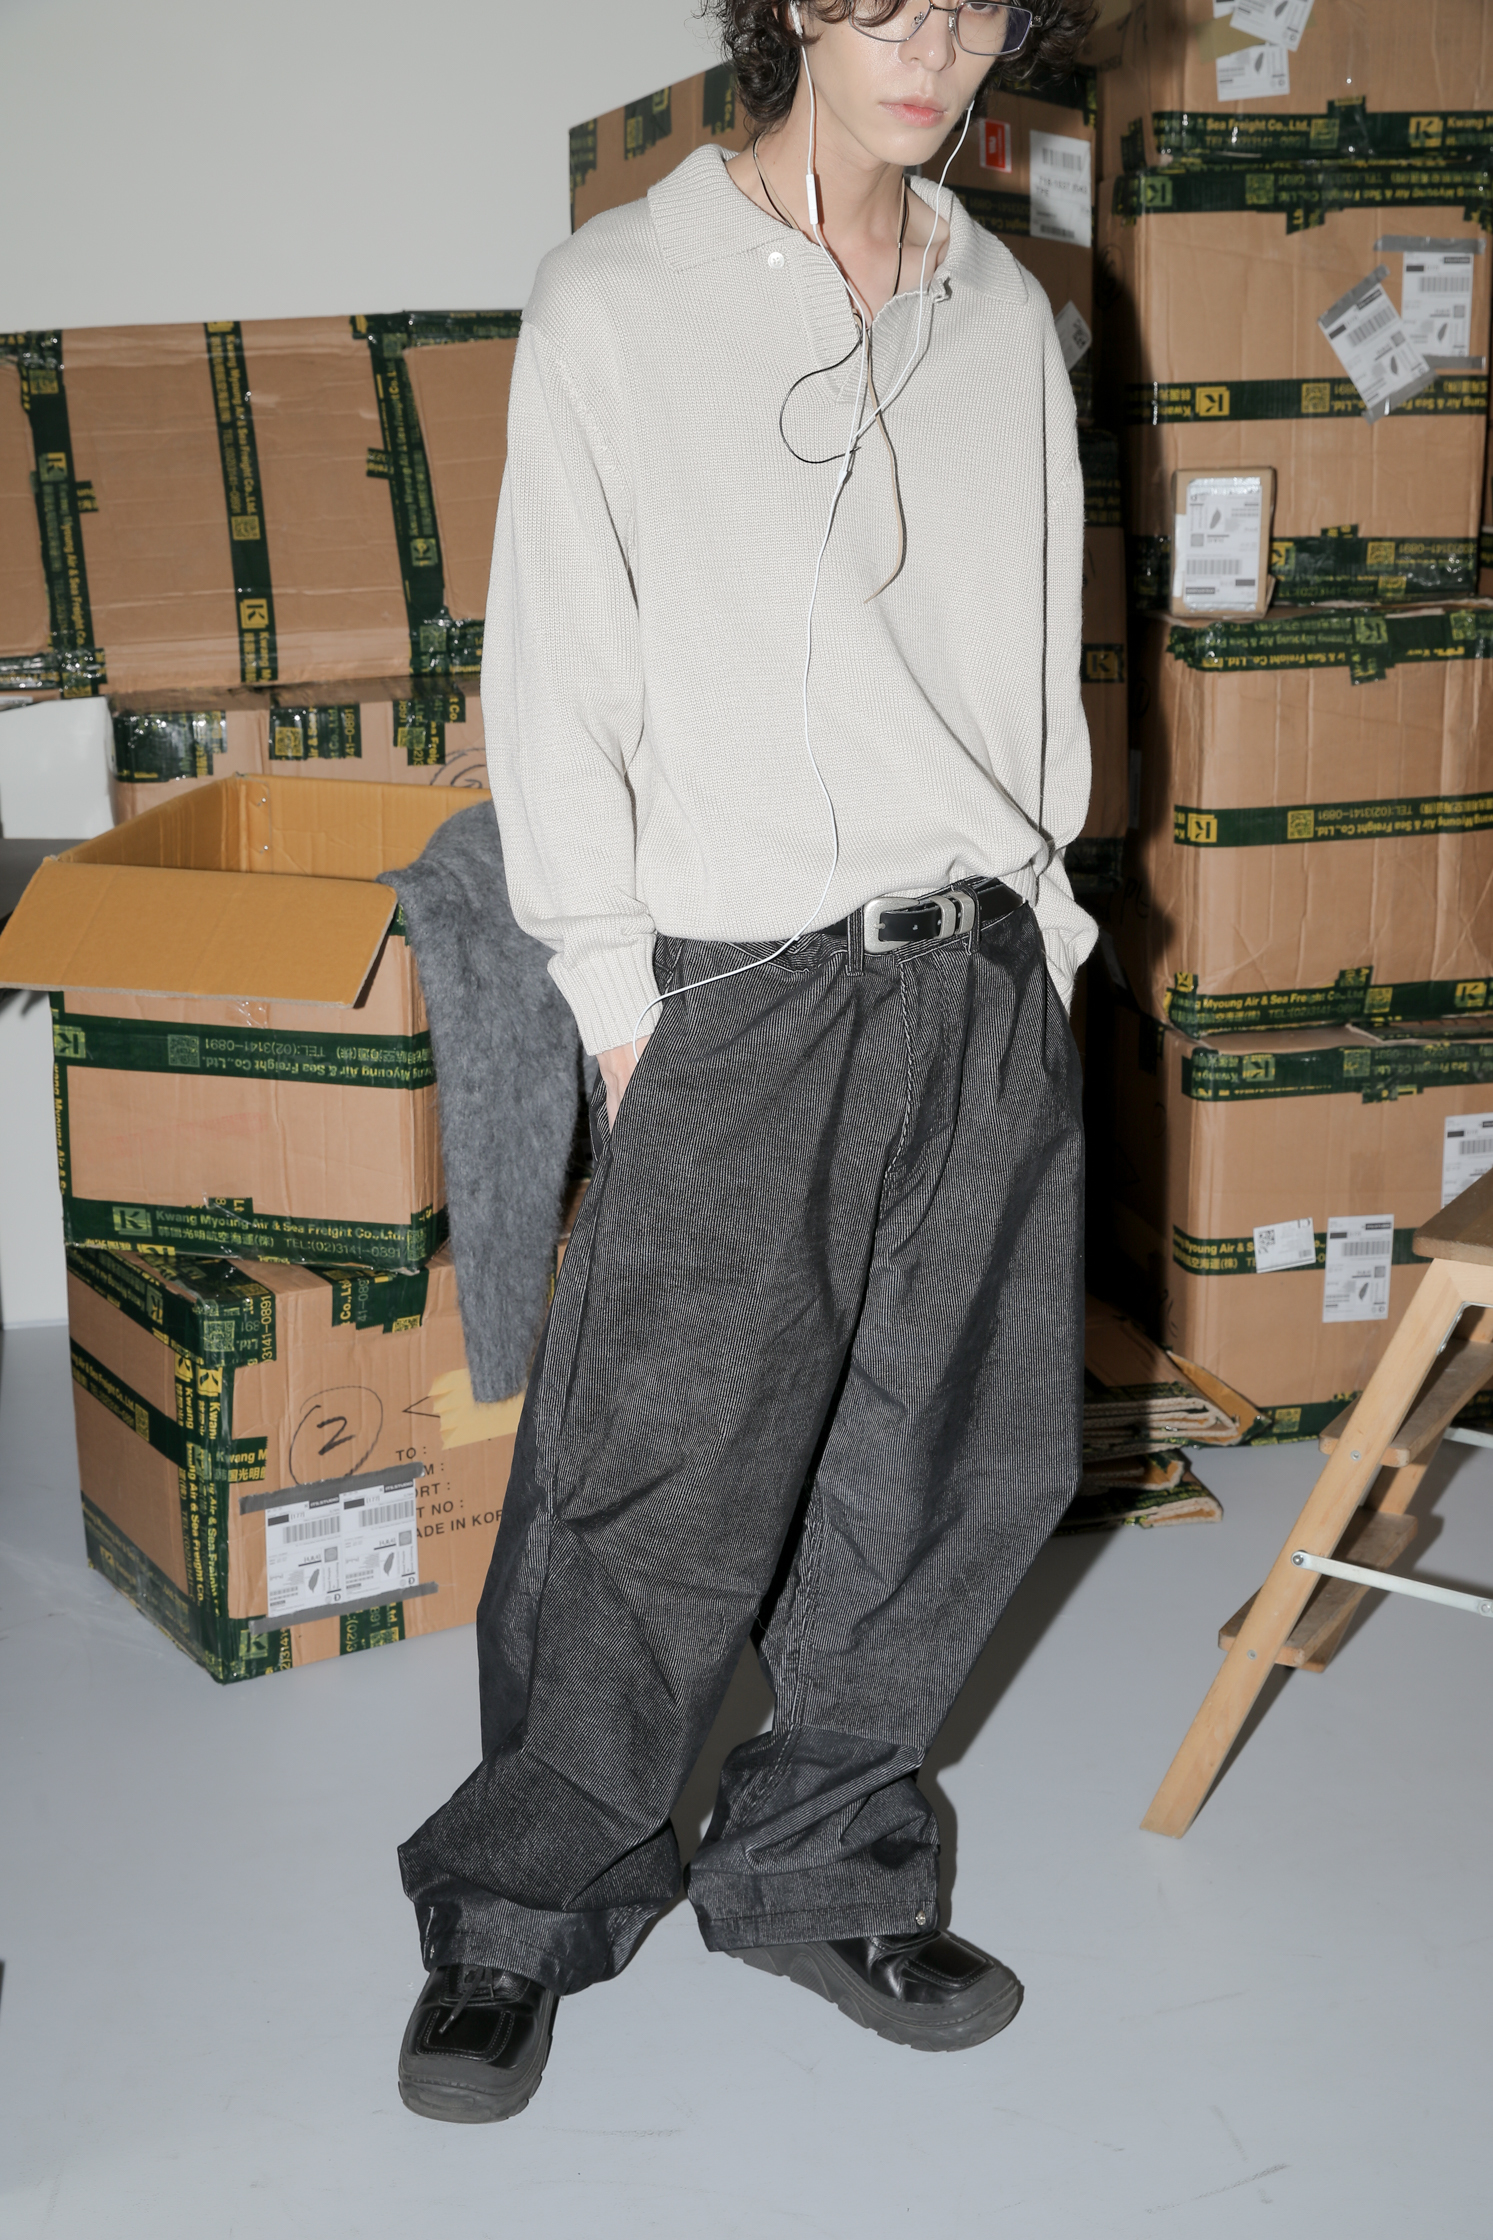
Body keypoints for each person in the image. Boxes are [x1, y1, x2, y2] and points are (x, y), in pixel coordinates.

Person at [397, 0, 1096, 2123]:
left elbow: (1028, 655)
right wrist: (619, 999)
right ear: (793, 1)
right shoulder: (620, 295)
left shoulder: (1008, 311)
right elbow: (558, 675)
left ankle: (821, 1869)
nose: (937, 43)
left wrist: (1052, 945)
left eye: (977, 2)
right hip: (738, 989)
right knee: (647, 1484)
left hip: (980, 974)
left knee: (949, 1468)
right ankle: (523, 1907)